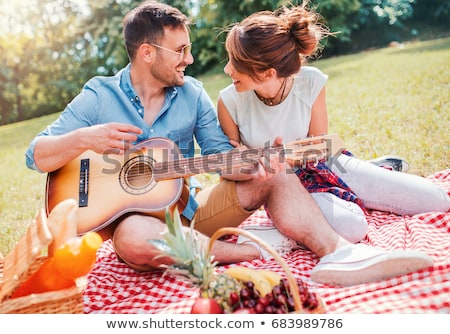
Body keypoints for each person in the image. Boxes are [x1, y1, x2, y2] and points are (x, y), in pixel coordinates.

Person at [25, 1, 435, 287]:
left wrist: (262, 161)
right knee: (133, 238)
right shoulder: (99, 96)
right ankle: (254, 252)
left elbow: (222, 159)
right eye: (180, 50)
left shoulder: (193, 94)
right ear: (147, 53)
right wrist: (84, 138)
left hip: (191, 209)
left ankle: (340, 255)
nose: (189, 58)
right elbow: (36, 155)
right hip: (135, 222)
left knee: (270, 174)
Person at [217, 2, 450, 282]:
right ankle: (332, 204)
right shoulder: (229, 101)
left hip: (325, 166)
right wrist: (257, 162)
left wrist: (288, 154)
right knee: (352, 226)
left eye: (235, 63)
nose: (228, 69)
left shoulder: (311, 81)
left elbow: (320, 146)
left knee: (436, 200)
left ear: (267, 73)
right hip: (284, 190)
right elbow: (230, 168)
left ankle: (365, 176)